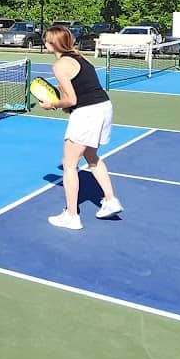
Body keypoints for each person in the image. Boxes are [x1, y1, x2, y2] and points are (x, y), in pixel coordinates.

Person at [36, 24, 123, 229]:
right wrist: (66, 105)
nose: (45, 42)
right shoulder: (80, 58)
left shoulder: (59, 66)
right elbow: (80, 93)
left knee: (68, 165)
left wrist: (52, 104)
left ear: (51, 44)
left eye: (46, 40)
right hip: (103, 107)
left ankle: (72, 216)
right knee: (92, 158)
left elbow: (71, 99)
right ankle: (111, 201)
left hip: (88, 113)